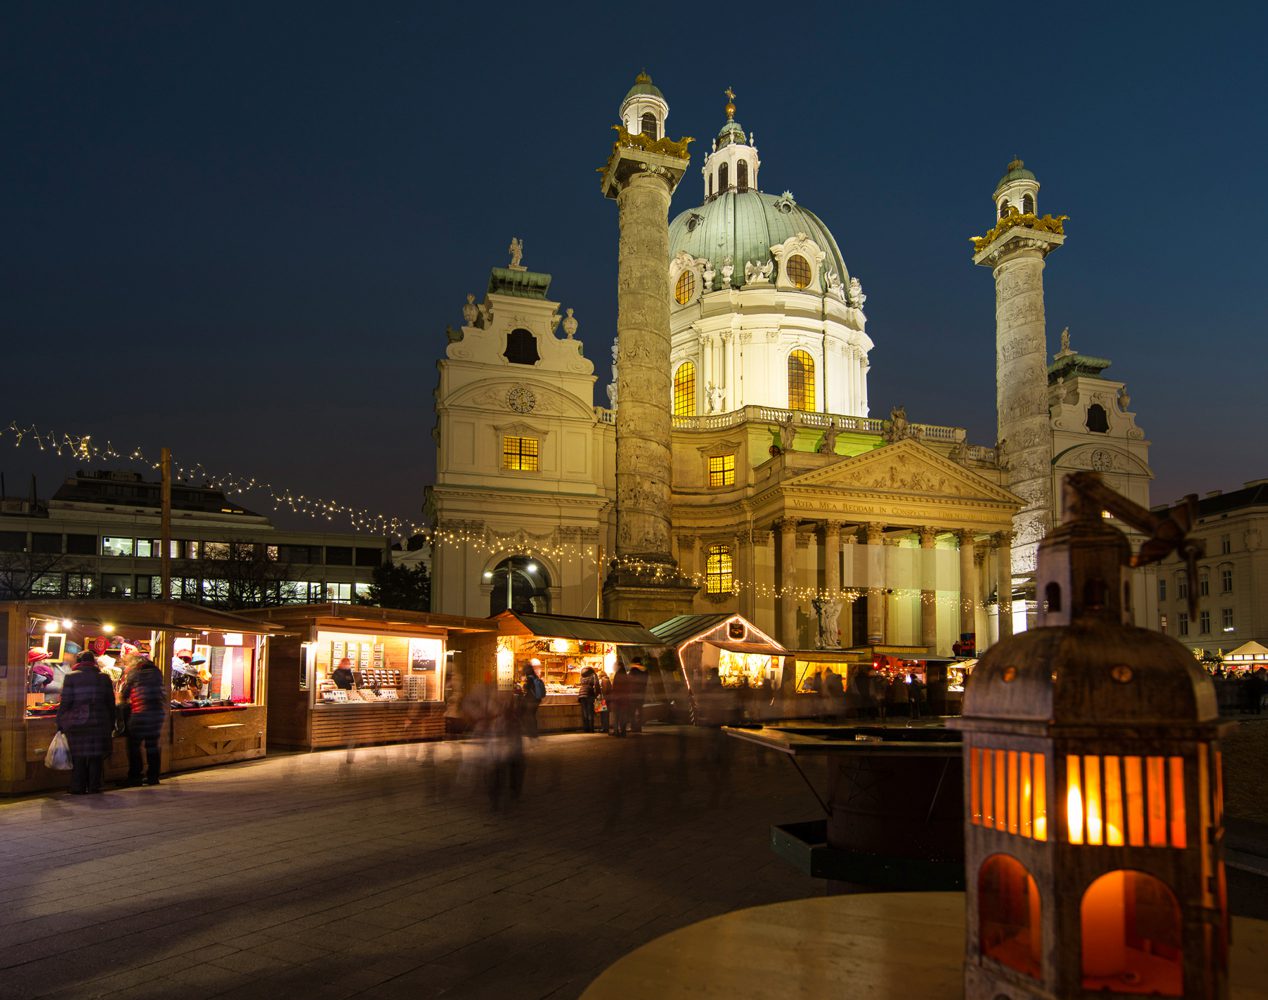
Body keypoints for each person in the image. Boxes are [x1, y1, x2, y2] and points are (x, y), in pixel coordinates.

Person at [56, 651, 116, 794]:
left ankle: (78, 787)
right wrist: (111, 723)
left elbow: (66, 702)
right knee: (96, 756)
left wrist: (60, 721)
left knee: (79, 756)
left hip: (78, 723)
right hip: (100, 722)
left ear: (79, 661)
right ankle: (95, 786)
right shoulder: (104, 678)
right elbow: (110, 703)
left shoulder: (71, 677)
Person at [119, 655, 167, 786]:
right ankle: (153, 776)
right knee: (152, 746)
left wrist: (123, 702)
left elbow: (125, 693)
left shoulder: (136, 673)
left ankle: (135, 776)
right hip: (157, 713)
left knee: (133, 745)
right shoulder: (157, 672)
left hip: (140, 713)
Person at [520, 663, 545, 738]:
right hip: (537, 699)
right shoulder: (535, 676)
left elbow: (527, 687)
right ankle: (533, 732)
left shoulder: (530, 678)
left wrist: (524, 685)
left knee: (530, 715)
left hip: (532, 699)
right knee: (532, 715)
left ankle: (532, 733)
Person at [610, 663, 633, 736]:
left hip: (618, 698)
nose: (614, 667)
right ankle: (623, 731)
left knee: (617, 715)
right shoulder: (625, 675)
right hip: (625, 699)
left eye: (616, 666)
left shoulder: (618, 674)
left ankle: (616, 731)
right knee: (623, 716)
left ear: (619, 666)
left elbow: (615, 687)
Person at [628, 657, 649, 733]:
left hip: (633, 694)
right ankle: (639, 727)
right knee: (640, 711)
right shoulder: (645, 670)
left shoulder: (633, 670)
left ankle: (633, 727)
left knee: (632, 712)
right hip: (641, 693)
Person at [577, 665, 599, 733]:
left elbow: (581, 683)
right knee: (590, 712)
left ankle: (585, 729)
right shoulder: (593, 675)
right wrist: (597, 694)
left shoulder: (581, 675)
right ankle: (591, 729)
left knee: (584, 712)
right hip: (589, 693)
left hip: (581, 694)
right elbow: (596, 684)